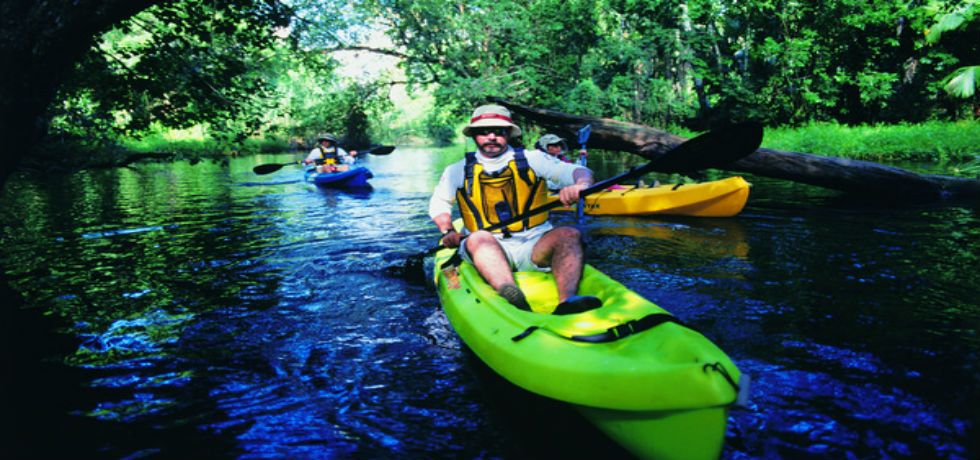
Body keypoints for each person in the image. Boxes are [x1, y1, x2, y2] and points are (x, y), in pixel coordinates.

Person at [428, 104, 601, 314]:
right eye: (484, 131)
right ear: (474, 135)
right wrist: (448, 230)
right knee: (478, 238)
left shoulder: (534, 159)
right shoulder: (457, 170)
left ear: (508, 133)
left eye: (498, 131)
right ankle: (512, 297)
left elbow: (578, 171)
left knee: (570, 233)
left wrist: (580, 185)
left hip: (534, 243)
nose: (491, 137)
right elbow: (439, 203)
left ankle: (568, 301)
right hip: (487, 247)